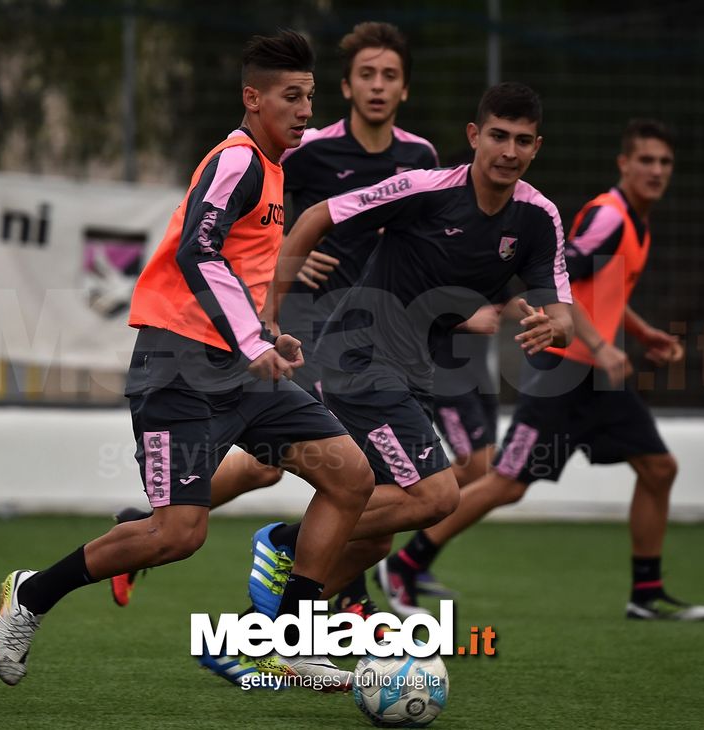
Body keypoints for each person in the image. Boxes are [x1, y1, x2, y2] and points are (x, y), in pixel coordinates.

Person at [0, 30, 375, 690]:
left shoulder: (273, 168)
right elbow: (200, 251)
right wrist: (252, 340)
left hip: (239, 369)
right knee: (177, 535)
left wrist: (265, 333)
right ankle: (31, 593)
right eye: (291, 96)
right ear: (253, 99)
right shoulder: (237, 161)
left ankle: (290, 641)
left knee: (350, 478)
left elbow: (236, 269)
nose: (305, 110)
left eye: (310, 96)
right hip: (177, 368)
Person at [109, 21, 442, 619]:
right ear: (349, 86)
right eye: (366, 74)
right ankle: (320, 602)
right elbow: (258, 231)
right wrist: (290, 266)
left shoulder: (420, 158)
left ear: (405, 89)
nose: (378, 85)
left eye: (390, 75)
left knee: (285, 469)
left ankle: (159, 528)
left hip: (376, 334)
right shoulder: (305, 149)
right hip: (316, 330)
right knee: (357, 475)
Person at [245, 82, 574, 635]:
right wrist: (270, 315)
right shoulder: (425, 188)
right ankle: (283, 542)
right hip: (359, 358)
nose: (509, 151)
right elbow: (318, 215)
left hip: (412, 373)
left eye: (522, 141)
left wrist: (553, 326)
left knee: (373, 538)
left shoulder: (538, 218)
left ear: (536, 147)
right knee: (436, 495)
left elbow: (562, 312)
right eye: (498, 136)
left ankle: (266, 631)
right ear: (474, 136)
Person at [379, 118, 704, 622]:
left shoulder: (637, 223)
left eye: (664, 162)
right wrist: (600, 345)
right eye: (646, 160)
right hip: (565, 373)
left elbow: (603, 292)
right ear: (624, 164)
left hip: (597, 380)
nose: (656, 170)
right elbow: (564, 283)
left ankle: (646, 593)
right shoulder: (609, 217)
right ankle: (405, 563)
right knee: (505, 482)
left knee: (659, 468)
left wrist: (642, 333)